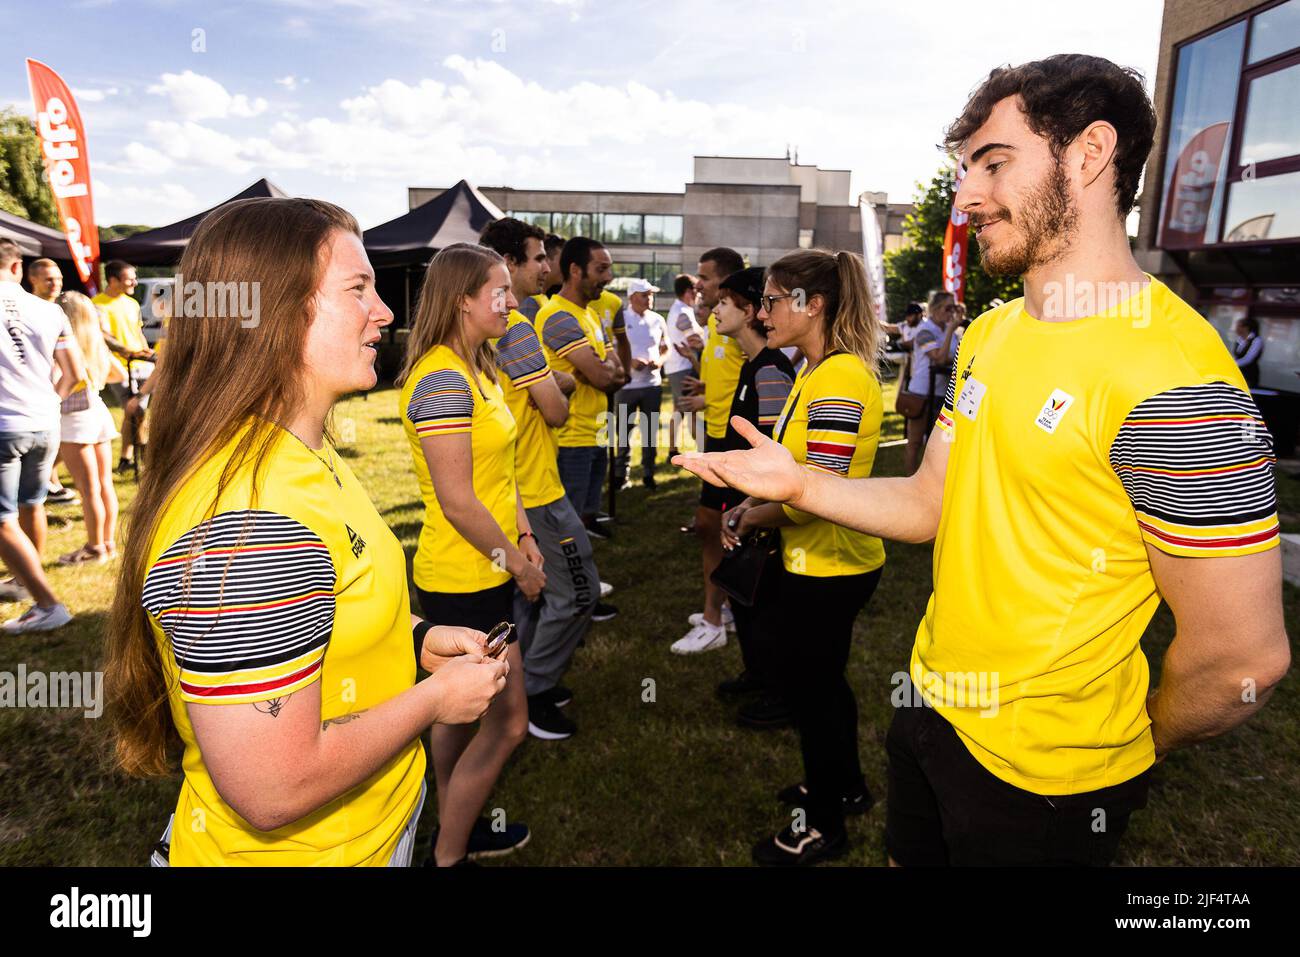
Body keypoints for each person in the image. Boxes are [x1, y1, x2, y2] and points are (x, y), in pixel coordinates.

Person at [677, 54, 1291, 867]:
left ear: (1089, 154)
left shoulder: (1177, 377)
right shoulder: (993, 334)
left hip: (1047, 781)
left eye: (994, 163)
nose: (966, 197)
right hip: (931, 708)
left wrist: (1137, 740)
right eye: (965, 168)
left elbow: (1243, 656)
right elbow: (932, 502)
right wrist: (802, 484)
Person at [103, 197, 508, 866]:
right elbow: (272, 786)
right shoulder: (247, 526)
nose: (385, 312)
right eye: (359, 290)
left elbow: (325, 608)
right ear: (277, 313)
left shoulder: (295, 449)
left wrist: (416, 639)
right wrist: (435, 698)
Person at [700, 250, 886, 864]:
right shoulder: (819, 369)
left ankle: (823, 826)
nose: (763, 310)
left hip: (828, 567)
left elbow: (813, 495)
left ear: (815, 305)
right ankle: (846, 785)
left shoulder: (836, 379)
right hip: (822, 561)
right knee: (825, 687)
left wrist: (747, 514)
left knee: (813, 694)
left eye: (774, 299)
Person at [399, 243, 542, 865]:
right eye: (499, 291)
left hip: (485, 567)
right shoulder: (440, 379)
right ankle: (448, 855)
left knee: (459, 713)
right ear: (461, 299)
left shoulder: (478, 367)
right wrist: (520, 565)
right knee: (507, 721)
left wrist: (527, 537)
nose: (510, 302)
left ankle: (453, 816)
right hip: (464, 578)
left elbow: (499, 476)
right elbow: (459, 501)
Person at [479, 217, 596, 741]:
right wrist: (563, 380)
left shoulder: (486, 327)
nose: (548, 265)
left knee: (531, 598)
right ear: (508, 264)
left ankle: (514, 685)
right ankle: (535, 692)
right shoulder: (518, 328)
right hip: (536, 490)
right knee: (576, 592)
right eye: (538, 258)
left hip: (514, 485)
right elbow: (554, 411)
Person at [674, 266, 794, 676]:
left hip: (755, 503)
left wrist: (748, 505)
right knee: (746, 596)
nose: (714, 311)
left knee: (758, 596)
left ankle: (766, 679)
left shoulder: (768, 369)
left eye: (723, 303)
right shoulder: (753, 364)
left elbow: (777, 451)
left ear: (747, 311)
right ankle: (753, 671)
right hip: (743, 498)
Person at [0, 239, 84, 630]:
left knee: (3, 519)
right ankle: (24, 580)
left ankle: (47, 604)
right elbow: (73, 372)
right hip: (42, 421)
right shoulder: (50, 311)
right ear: (18, 268)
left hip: (5, 426)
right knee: (31, 506)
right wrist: (51, 402)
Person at [677, 247, 746, 644]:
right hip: (715, 439)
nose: (697, 283)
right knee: (717, 528)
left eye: (704, 277)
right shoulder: (717, 321)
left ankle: (713, 622)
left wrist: (712, 401)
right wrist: (707, 389)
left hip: (729, 443)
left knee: (714, 527)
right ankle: (725, 608)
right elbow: (731, 374)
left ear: (725, 280)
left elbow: (752, 379)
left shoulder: (737, 324)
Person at [536, 239, 624, 536]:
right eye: (601, 269)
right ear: (575, 270)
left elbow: (617, 374)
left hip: (595, 430)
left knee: (584, 518)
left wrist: (599, 370)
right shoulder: (558, 316)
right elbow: (603, 377)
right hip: (571, 438)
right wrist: (600, 370)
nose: (608, 277)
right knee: (565, 527)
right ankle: (563, 580)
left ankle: (580, 577)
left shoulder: (593, 315)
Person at [55, 291, 125, 564]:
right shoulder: (96, 342)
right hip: (97, 412)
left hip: (75, 421)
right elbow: (117, 373)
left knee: (88, 489)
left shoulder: (63, 345)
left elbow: (63, 379)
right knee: (104, 484)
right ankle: (107, 544)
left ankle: (95, 548)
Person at [94, 260, 154, 473]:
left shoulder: (132, 304)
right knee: (135, 409)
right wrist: (127, 352)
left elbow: (137, 332)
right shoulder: (98, 304)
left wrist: (146, 351)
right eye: (130, 278)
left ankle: (127, 459)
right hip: (119, 368)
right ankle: (138, 455)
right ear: (113, 280)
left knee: (138, 412)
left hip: (141, 364)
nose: (135, 283)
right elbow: (104, 335)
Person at [25, 259, 78, 505]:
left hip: (54, 398)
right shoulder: (25, 312)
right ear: (32, 279)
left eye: (58, 279)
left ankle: (51, 484)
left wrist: (55, 399)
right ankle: (51, 484)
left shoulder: (58, 311)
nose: (55, 284)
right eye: (49, 279)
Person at [613, 278, 668, 490]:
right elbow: (611, 349)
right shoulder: (622, 318)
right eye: (645, 295)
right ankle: (620, 475)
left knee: (650, 431)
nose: (649, 299)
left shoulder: (657, 319)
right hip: (626, 387)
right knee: (622, 432)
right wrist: (629, 362)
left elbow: (666, 348)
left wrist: (659, 362)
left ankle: (648, 474)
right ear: (632, 297)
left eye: (651, 295)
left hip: (651, 384)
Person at [900, 291, 959, 475]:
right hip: (922, 393)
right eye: (948, 308)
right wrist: (950, 331)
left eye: (954, 308)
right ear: (934, 308)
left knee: (937, 446)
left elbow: (957, 357)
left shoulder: (951, 333)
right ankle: (908, 483)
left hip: (942, 393)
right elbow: (940, 358)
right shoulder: (925, 331)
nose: (951, 313)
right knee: (915, 442)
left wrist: (950, 333)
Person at [664, 273, 704, 458]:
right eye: (696, 291)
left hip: (676, 367)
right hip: (684, 366)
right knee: (691, 411)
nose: (698, 296)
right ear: (689, 292)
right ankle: (705, 452)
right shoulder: (683, 313)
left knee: (679, 410)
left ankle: (672, 450)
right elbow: (695, 341)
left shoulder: (678, 309)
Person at [1233, 317, 1262, 389]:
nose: (1236, 329)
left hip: (1249, 374)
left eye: (1238, 326)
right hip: (1238, 373)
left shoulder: (1256, 340)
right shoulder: (1239, 339)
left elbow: (1248, 359)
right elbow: (1235, 355)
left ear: (1246, 328)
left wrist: (1231, 364)